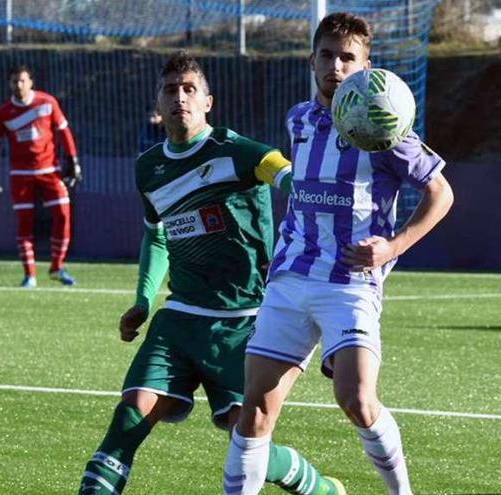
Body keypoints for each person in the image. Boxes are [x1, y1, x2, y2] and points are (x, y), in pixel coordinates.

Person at [77, 51, 345, 495]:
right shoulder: (149, 168)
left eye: (189, 90)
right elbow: (157, 235)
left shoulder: (235, 150)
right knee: (130, 414)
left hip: (244, 320)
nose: (179, 97)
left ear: (207, 102)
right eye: (170, 90)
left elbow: (286, 176)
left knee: (247, 433)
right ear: (157, 107)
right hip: (180, 316)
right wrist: (144, 299)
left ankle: (319, 488)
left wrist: (319, 195)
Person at [223, 12, 454, 495]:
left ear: (366, 65)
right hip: (289, 280)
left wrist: (393, 246)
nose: (336, 66)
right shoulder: (300, 119)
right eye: (327, 55)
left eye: (348, 57)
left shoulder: (387, 128)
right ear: (312, 59)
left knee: (356, 400)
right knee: (255, 412)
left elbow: (441, 195)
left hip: (349, 284)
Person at [0, 64, 82, 288]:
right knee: (24, 223)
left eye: (22, 80)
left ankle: (57, 267)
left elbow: (64, 131)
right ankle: (30, 274)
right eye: (14, 82)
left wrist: (72, 161)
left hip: (50, 170)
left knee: (63, 215)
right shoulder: (3, 113)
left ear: (31, 82)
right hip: (21, 174)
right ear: (10, 84)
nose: (18, 85)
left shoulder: (47, 103)